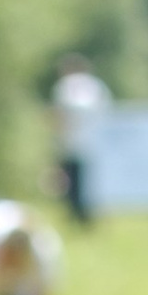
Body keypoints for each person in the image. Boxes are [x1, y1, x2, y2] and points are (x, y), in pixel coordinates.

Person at [50, 53, 110, 223]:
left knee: (73, 185)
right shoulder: (97, 86)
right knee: (93, 185)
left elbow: (60, 115)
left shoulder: (65, 86)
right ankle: (89, 218)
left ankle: (76, 217)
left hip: (72, 143)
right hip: (97, 145)